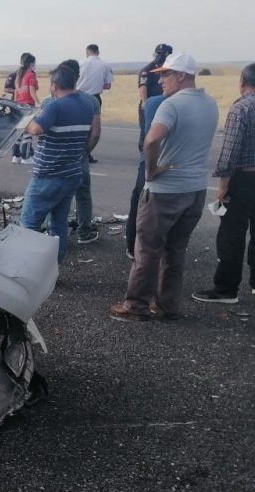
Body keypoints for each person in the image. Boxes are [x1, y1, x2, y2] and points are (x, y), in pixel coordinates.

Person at [109, 53, 219, 321]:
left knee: (147, 248)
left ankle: (135, 306)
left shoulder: (171, 106)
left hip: (165, 191)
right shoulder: (210, 103)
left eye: (166, 74)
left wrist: (151, 169)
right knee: (176, 250)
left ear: (182, 75)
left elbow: (151, 140)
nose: (160, 80)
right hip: (195, 189)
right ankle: (167, 305)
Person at [192, 63, 255, 304]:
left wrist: (223, 186)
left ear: (242, 82)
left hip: (244, 179)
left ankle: (226, 288)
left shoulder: (241, 109)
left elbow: (229, 154)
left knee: (231, 235)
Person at [18, 64, 94, 263]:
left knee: (28, 223)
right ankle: (53, 267)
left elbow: (35, 129)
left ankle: (28, 268)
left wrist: (23, 122)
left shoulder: (55, 106)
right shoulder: (87, 104)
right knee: (59, 223)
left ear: (54, 85)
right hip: (71, 173)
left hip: (48, 175)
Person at [43, 59, 103, 245]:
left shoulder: (49, 101)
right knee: (83, 194)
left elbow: (40, 132)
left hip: (54, 159)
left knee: (51, 195)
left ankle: (52, 233)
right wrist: (83, 151)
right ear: (77, 77)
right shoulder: (91, 100)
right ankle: (84, 231)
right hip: (79, 156)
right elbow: (95, 132)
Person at [125, 93, 167, 258]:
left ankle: (133, 246)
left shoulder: (154, 102)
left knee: (140, 202)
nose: (161, 80)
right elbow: (151, 139)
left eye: (165, 76)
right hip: (165, 162)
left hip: (150, 160)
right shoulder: (159, 102)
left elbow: (148, 138)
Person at [76, 44, 113, 163]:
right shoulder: (105, 65)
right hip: (95, 97)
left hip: (79, 96)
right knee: (93, 128)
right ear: (98, 52)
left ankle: (76, 152)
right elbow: (108, 85)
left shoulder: (81, 63)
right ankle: (86, 153)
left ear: (87, 52)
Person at [138, 44, 173, 147]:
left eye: (163, 54)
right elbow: (143, 86)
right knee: (147, 131)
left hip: (167, 104)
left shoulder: (171, 69)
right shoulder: (147, 69)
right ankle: (144, 155)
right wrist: (144, 103)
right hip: (150, 103)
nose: (160, 56)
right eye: (158, 53)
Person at [11, 53, 39, 164]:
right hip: (28, 106)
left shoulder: (19, 75)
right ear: (31, 63)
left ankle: (16, 156)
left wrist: (14, 104)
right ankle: (26, 157)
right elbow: (32, 91)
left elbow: (17, 92)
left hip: (19, 106)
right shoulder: (31, 75)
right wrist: (38, 103)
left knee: (19, 132)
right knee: (28, 132)